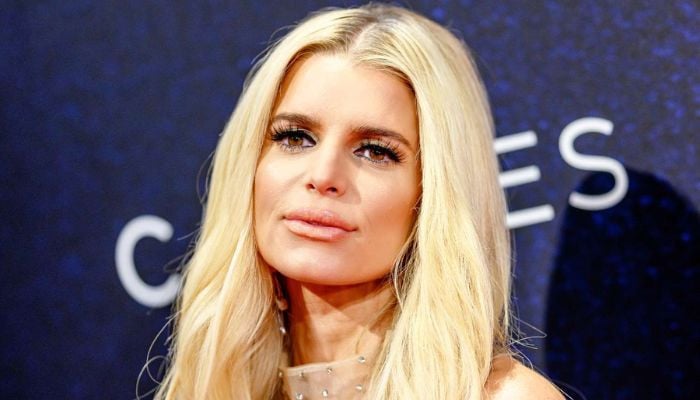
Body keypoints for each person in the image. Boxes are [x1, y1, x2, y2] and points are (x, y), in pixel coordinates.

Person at [152, 3, 565, 399]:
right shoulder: (212, 387)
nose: (323, 176)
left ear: (434, 192)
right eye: (295, 138)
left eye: (375, 151)